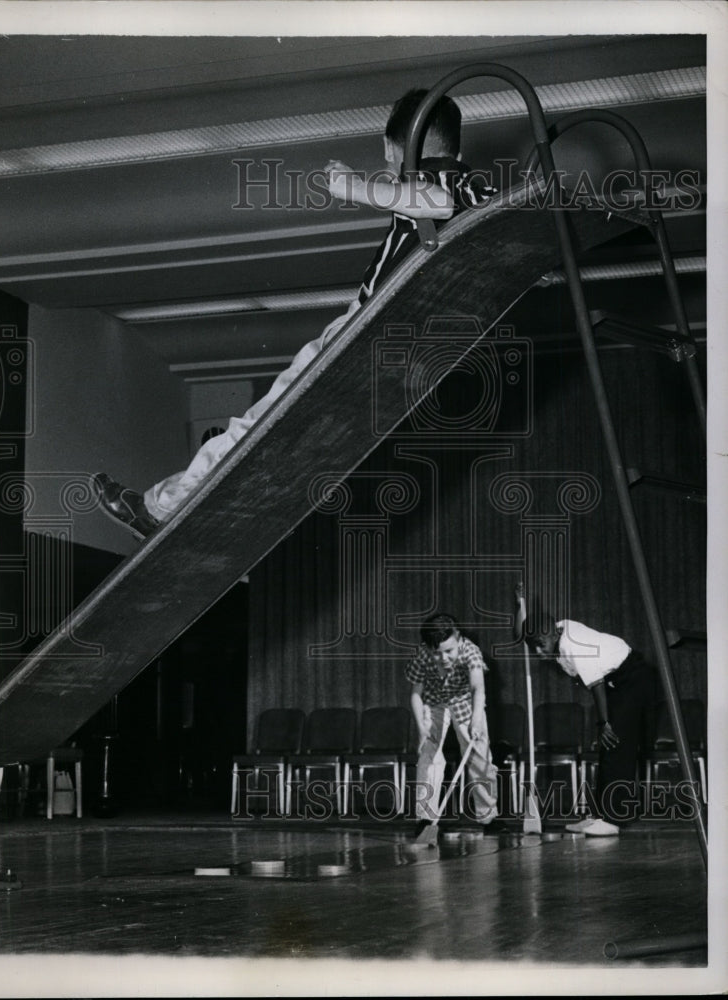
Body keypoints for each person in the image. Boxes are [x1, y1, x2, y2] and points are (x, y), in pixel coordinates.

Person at [94, 88, 496, 538]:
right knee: (285, 438)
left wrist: (353, 187)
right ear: (459, 148)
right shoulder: (481, 191)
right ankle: (188, 506)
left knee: (260, 423)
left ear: (390, 149)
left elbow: (433, 200)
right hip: (409, 346)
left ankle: (163, 509)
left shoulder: (434, 185)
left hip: (363, 331)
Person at [514, 582, 655, 836]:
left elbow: (597, 685)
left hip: (632, 678)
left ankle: (613, 821)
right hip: (616, 683)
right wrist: (519, 606)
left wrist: (604, 724)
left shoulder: (572, 644)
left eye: (540, 644)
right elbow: (522, 634)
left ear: (551, 635)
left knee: (615, 744)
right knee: (606, 748)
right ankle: (598, 815)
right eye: (534, 646)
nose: (537, 651)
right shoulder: (554, 631)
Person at [406, 612, 503, 836]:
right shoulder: (422, 655)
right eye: (437, 653)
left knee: (479, 756)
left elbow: (478, 688)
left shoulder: (470, 651)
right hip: (433, 702)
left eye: (449, 651)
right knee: (428, 758)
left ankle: (488, 817)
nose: (444, 658)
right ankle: (426, 819)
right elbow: (415, 695)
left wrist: (477, 720)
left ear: (458, 638)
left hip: (465, 700)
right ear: (427, 647)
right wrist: (422, 727)